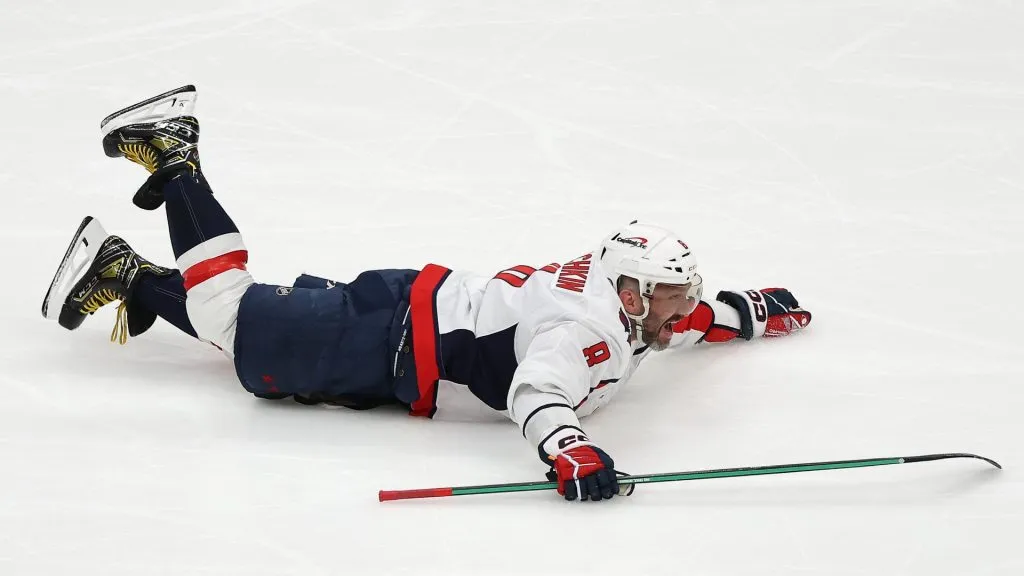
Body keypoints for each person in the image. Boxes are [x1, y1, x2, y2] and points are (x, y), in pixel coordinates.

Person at [42, 85, 812, 503]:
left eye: (682, 292)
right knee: (234, 321)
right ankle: (174, 155)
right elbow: (540, 392)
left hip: (403, 320)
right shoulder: (588, 332)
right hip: (390, 342)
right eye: (670, 293)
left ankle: (123, 272)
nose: (682, 306)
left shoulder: (624, 301)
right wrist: (568, 450)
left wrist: (743, 314)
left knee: (255, 332)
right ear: (632, 294)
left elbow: (686, 323)